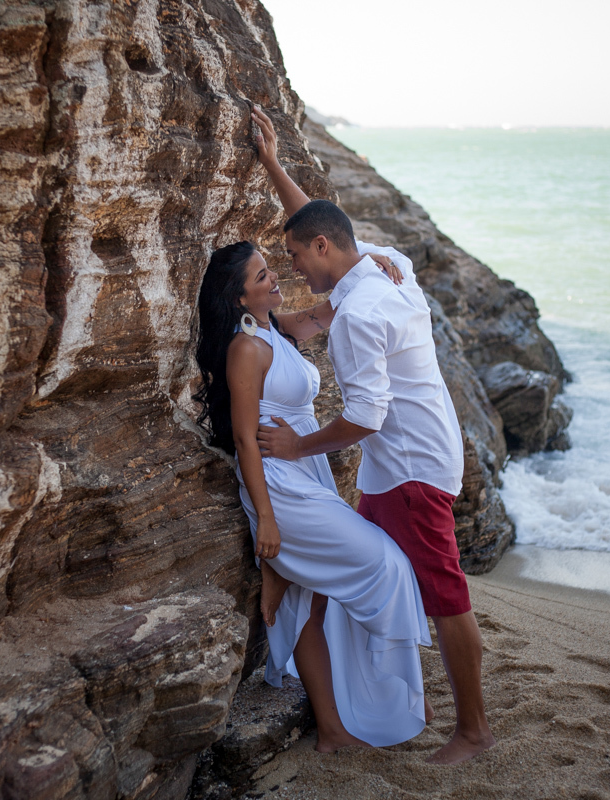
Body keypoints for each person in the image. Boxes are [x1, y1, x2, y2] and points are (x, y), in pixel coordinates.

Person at [250, 104, 497, 765]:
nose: (296, 268)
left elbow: (367, 417)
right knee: (362, 570)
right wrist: (274, 164)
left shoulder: (360, 312)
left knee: (443, 595)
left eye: (299, 257)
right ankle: (350, 702)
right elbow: (321, 222)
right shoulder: (383, 262)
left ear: (325, 251)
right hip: (408, 463)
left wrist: (299, 446)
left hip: (411, 467)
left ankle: (472, 732)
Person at [194, 239, 431, 752]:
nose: (274, 277)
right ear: (239, 298)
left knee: (311, 606)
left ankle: (331, 731)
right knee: (386, 564)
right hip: (280, 484)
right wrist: (267, 520)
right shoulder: (245, 348)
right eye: (260, 277)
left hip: (308, 471)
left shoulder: (277, 330)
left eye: (269, 269)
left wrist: (370, 265)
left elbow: (331, 306)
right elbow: (242, 441)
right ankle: (389, 678)